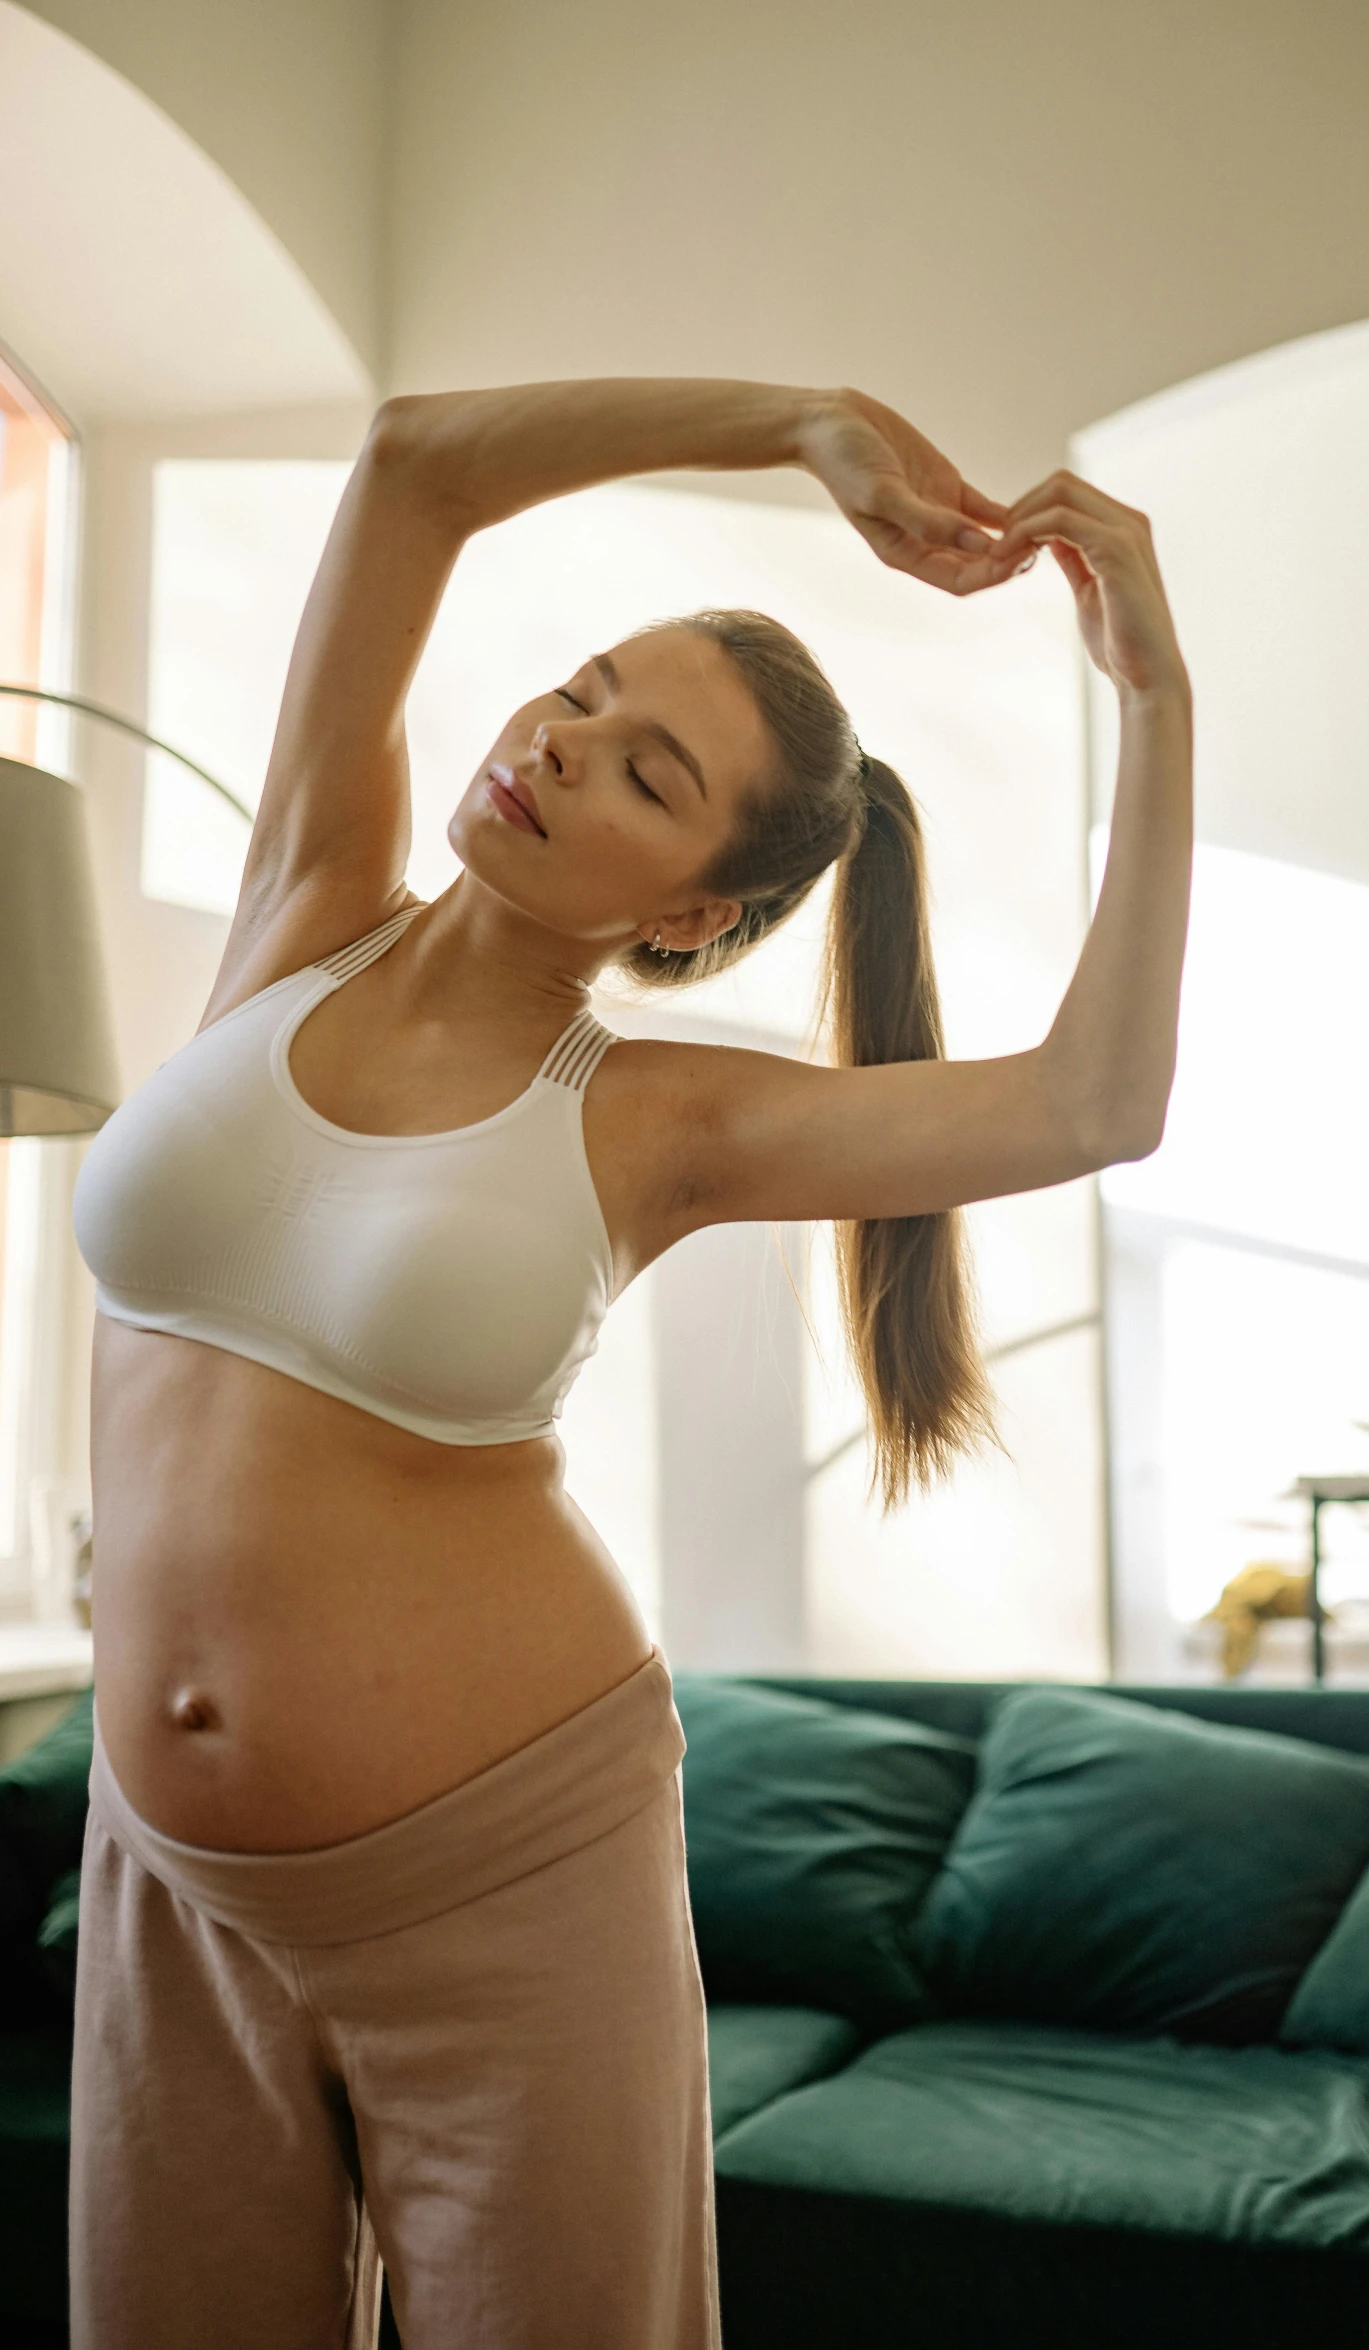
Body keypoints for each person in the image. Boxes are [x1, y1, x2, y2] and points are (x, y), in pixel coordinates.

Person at [67, 378, 1192, 2348]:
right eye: (585, 693)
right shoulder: (301, 910)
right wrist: (805, 424)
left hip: (506, 1878)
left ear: (691, 910)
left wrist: (1154, 697)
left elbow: (1095, 1102)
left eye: (647, 775)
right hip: (167, 1865)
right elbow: (417, 460)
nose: (560, 746)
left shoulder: (663, 1117)